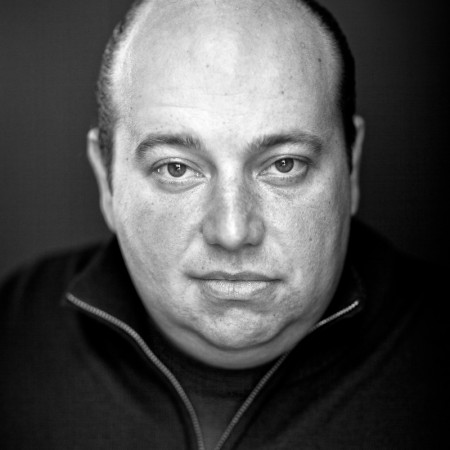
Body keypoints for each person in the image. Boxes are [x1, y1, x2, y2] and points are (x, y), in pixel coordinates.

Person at [0, 0, 447, 448]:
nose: (232, 232)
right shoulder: (15, 337)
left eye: (284, 165)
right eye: (176, 169)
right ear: (106, 180)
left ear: (351, 167)